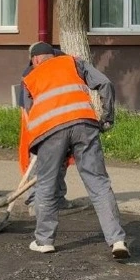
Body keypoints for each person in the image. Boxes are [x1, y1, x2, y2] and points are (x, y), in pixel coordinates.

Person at [21, 41, 129, 259]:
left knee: (46, 185)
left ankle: (44, 241)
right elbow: (105, 83)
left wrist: (39, 147)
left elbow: (28, 113)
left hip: (50, 132)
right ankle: (117, 240)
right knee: (98, 183)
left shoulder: (30, 77)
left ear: (35, 59)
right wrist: (107, 117)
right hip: (84, 125)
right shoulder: (73, 62)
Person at [18, 45, 85, 216]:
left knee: (60, 161)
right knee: (38, 162)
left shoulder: (61, 62)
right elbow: (28, 107)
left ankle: (58, 198)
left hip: (60, 120)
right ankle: (34, 202)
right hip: (37, 122)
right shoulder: (31, 74)